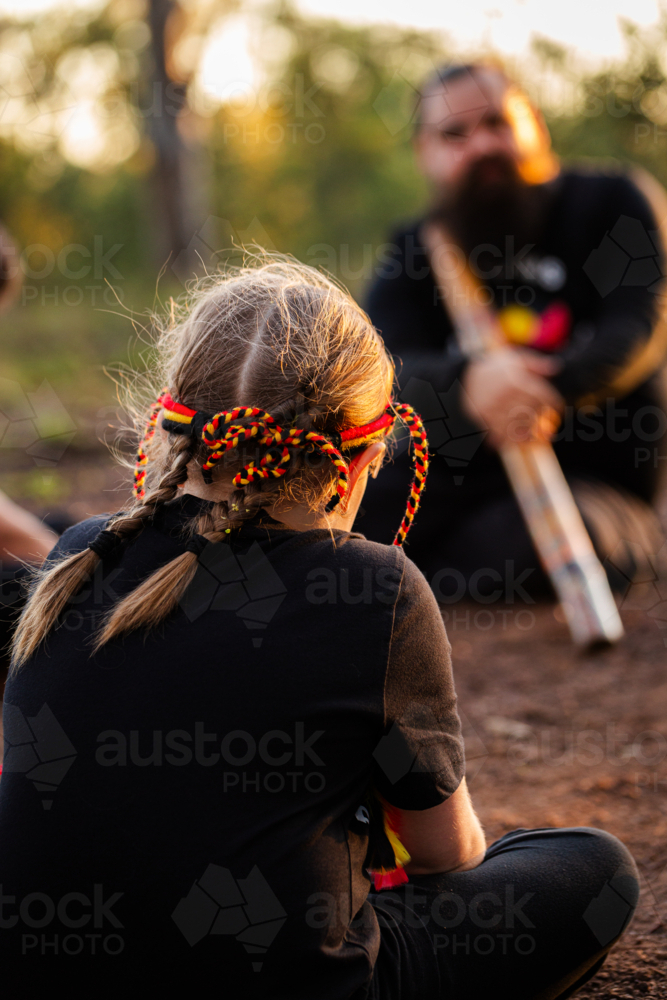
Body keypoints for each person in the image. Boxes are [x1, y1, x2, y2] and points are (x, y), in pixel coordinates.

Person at [1, 260, 638, 997]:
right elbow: (445, 858)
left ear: (169, 425)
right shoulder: (375, 589)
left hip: (46, 972)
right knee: (591, 869)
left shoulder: (83, 550)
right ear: (367, 456)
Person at [361, 62, 667, 601]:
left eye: (498, 123)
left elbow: (641, 323)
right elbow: (380, 366)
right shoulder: (416, 250)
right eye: (454, 134)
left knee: (559, 542)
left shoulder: (611, 204)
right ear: (424, 153)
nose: (480, 145)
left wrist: (545, 386)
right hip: (462, 482)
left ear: (536, 127)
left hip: (594, 478)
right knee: (345, 518)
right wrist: (470, 384)